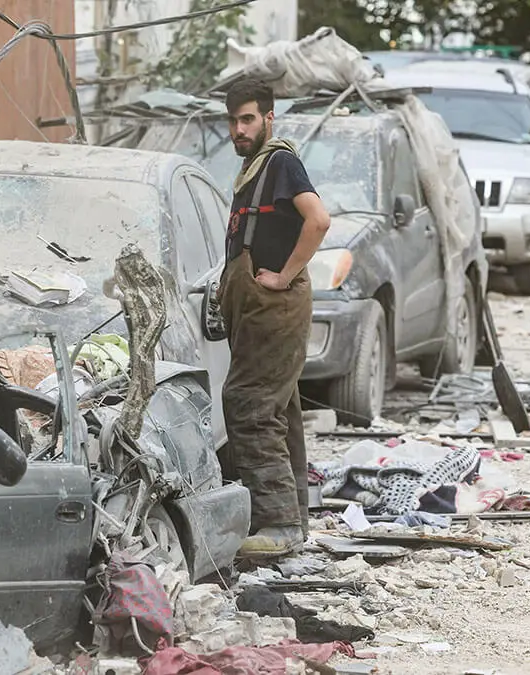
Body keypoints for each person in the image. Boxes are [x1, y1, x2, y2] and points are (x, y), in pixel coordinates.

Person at [218, 78, 331, 558]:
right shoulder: (254, 169)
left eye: (247, 119)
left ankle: (279, 525)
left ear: (268, 118)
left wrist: (284, 275)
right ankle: (293, 519)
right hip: (256, 308)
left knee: (248, 405)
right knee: (278, 409)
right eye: (233, 121)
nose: (239, 129)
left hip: (274, 305)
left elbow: (319, 220)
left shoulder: (281, 161)